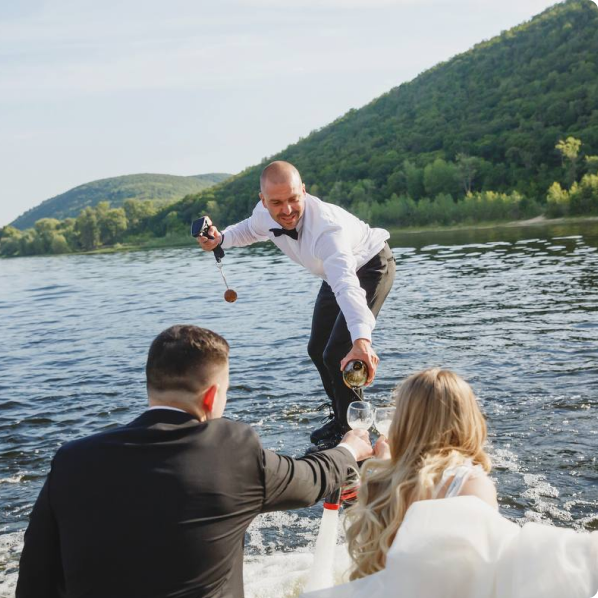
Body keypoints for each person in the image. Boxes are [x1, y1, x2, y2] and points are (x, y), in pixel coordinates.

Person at [16, 325, 373, 598]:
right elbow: (310, 480)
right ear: (213, 396)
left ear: (150, 385)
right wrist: (349, 450)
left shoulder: (72, 460)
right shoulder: (232, 449)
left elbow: (35, 580)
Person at [301, 368, 598, 598]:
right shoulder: (468, 481)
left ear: (404, 422)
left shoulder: (382, 477)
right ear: (468, 419)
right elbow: (484, 566)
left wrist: (385, 461)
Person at [197, 161, 395, 449]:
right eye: (276, 203)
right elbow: (250, 230)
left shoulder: (328, 231)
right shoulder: (263, 214)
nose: (287, 210)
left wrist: (362, 341)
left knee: (337, 351)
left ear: (304, 191)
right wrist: (221, 240)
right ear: (262, 200)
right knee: (317, 349)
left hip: (369, 267)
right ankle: (343, 418)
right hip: (331, 274)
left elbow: (347, 287)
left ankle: (356, 434)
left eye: (293, 199)